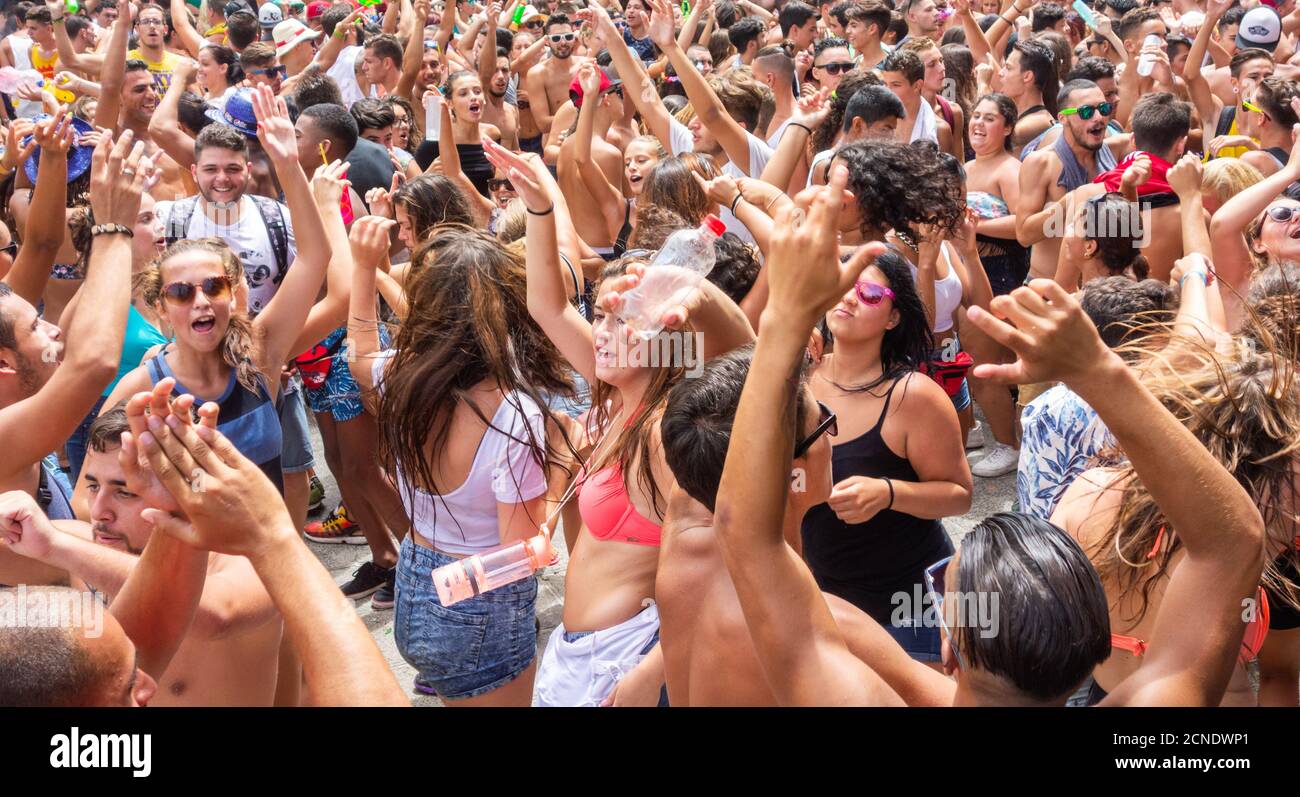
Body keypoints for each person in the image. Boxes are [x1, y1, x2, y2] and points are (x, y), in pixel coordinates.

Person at [712, 164, 1267, 707]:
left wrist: (785, 311)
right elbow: (1233, 541)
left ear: (948, 644)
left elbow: (750, 543)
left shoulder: (876, 673)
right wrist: (1099, 372)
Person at [346, 214, 568, 705]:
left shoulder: (400, 379)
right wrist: (561, 477)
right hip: (475, 607)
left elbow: (359, 355)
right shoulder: (515, 415)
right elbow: (521, 557)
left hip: (414, 582)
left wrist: (363, 270)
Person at [5, 401, 284, 706]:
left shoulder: (249, 558)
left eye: (125, 492)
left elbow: (216, 616)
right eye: (94, 487)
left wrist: (55, 548)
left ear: (186, 489)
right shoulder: (79, 547)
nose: (99, 512)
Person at [801, 245, 972, 662]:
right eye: (843, 286)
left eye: (869, 294)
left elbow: (960, 494)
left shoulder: (913, 397)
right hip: (826, 599)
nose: (848, 298)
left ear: (893, 318)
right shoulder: (800, 379)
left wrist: (888, 493)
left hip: (909, 608)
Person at [0, 122, 141, 588]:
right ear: (4, 362)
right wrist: (115, 227)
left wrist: (54, 159)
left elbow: (40, 246)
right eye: (37, 326)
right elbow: (95, 361)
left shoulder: (6, 324)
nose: (53, 327)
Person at [524, 12, 585, 135]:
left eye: (568, 37)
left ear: (574, 38)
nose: (563, 43)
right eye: (556, 38)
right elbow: (543, 124)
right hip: (556, 143)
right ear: (547, 41)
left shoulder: (586, 66)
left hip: (587, 138)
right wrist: (587, 116)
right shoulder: (537, 74)